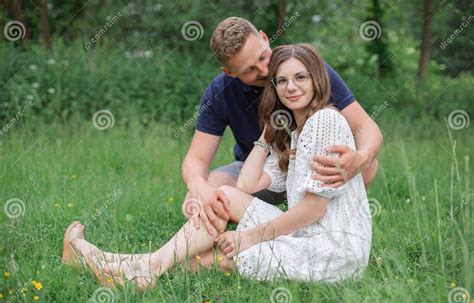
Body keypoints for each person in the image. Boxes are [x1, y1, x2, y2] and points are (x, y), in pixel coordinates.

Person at [62, 43, 371, 288]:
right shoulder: (298, 131)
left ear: (318, 78)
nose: (291, 87)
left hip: (332, 251)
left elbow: (312, 211)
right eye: (282, 81)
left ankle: (125, 265)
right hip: (305, 234)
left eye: (300, 77)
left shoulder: (325, 121)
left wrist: (248, 236)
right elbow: (246, 186)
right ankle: (140, 266)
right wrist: (266, 137)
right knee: (223, 194)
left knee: (235, 253)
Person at [181, 17, 381, 238]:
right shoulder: (221, 92)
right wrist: (200, 187)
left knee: (369, 164)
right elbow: (196, 160)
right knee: (197, 198)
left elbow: (365, 127)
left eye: (263, 56)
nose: (264, 70)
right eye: (249, 70)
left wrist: (362, 157)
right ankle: (268, 230)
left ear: (265, 38)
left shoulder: (306, 69)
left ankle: (329, 227)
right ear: (230, 72)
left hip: (313, 168)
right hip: (258, 168)